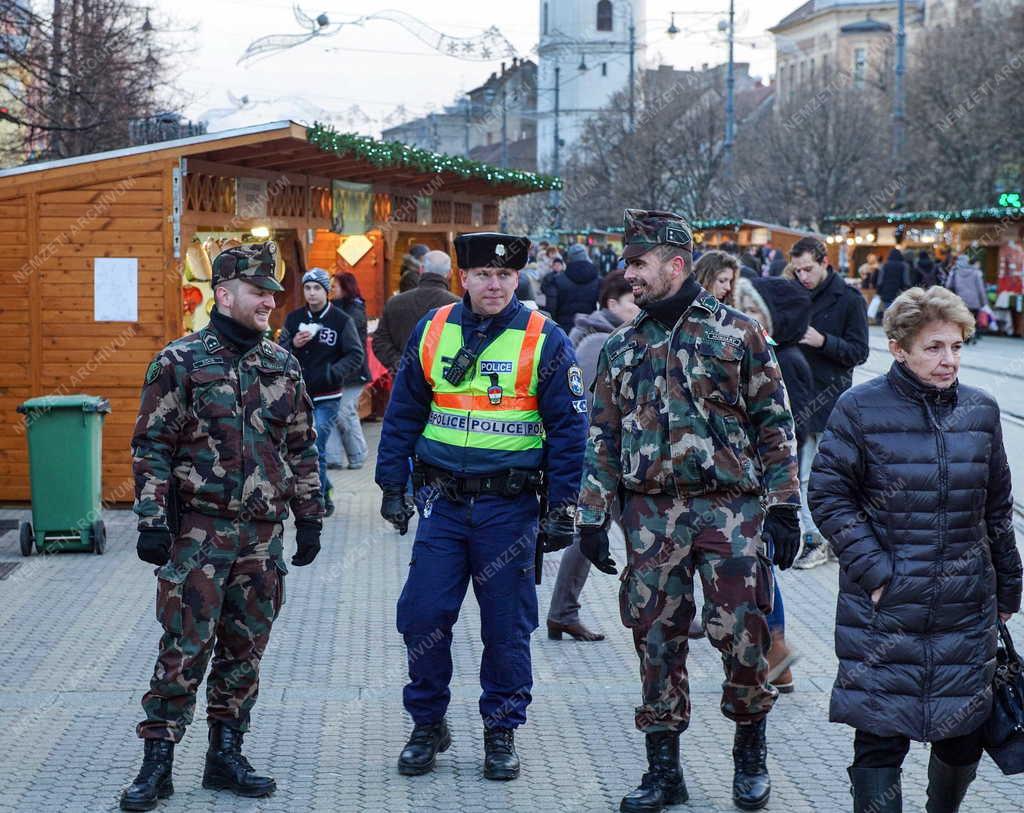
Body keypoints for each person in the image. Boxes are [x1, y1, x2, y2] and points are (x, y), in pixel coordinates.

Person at [577, 210, 801, 812]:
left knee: (741, 634)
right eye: (628, 263)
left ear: (675, 263)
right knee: (654, 636)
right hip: (649, 517)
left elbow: (776, 426)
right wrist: (593, 517)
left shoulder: (739, 333)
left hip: (732, 513)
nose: (629, 275)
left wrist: (785, 509)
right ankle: (663, 771)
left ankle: (749, 756)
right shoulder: (625, 345)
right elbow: (603, 435)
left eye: (638, 263)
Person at [375, 232, 588, 782]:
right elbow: (402, 414)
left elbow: (570, 430)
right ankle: (427, 724)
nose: (494, 285)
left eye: (505, 276)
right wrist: (391, 485)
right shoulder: (434, 329)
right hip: (441, 506)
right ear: (462, 278)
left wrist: (562, 507)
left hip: (509, 510)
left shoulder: (545, 337)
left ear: (516, 279)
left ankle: (501, 731)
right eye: (483, 275)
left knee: (506, 628)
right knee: (422, 616)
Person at [122, 242, 323, 811]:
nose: (268, 303)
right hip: (198, 535)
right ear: (224, 293)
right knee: (184, 648)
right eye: (259, 292)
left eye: (272, 294)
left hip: (262, 538)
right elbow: (151, 445)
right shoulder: (179, 362)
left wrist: (309, 517)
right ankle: (157, 763)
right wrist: (151, 519)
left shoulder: (281, 364)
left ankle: (225, 756)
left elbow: (303, 446)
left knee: (245, 649)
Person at [808, 286, 1021, 813]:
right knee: (880, 736)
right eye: (933, 347)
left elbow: (997, 509)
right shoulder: (858, 408)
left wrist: (1009, 587)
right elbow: (829, 495)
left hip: (965, 608)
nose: (948, 359)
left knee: (962, 735)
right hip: (885, 613)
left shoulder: (980, 410)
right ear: (899, 348)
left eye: (956, 346)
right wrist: (878, 573)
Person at [547, 270, 639, 643]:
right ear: (612, 304)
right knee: (634, 533)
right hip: (604, 456)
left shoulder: (608, 336)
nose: (639, 308)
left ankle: (563, 612)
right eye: (632, 302)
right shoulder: (600, 342)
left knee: (596, 532)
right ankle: (661, 609)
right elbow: (589, 406)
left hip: (609, 455)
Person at [784, 237, 869, 571]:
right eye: (798, 269)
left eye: (808, 268)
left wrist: (823, 342)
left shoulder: (849, 299)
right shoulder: (792, 292)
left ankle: (818, 540)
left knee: (815, 476)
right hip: (794, 396)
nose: (803, 275)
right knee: (801, 475)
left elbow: (858, 352)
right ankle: (821, 537)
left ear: (824, 262)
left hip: (829, 399)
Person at [746, 276, 814, 694]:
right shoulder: (777, 351)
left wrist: (784, 502)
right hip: (758, 480)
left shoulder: (777, 357)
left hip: (757, 483)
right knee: (760, 564)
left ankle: (773, 652)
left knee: (759, 564)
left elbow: (784, 425)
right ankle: (773, 653)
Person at [279, 268, 364, 517]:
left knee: (317, 445)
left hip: (328, 395)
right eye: (308, 288)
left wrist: (332, 373)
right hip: (299, 394)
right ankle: (324, 486)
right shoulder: (294, 319)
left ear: (326, 291)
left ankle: (320, 498)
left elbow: (355, 355)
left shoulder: (340, 320)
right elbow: (280, 351)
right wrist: (293, 345)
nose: (312, 293)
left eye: (317, 288)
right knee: (298, 447)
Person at [372, 249, 459, 374]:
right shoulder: (458, 307)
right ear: (450, 273)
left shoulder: (394, 303)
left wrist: (401, 365)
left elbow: (379, 341)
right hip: (443, 384)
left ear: (421, 270)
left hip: (403, 382)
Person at [326, 271, 370, 470]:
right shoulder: (332, 309)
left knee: (345, 412)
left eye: (334, 287)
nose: (330, 290)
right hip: (333, 372)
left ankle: (358, 454)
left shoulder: (355, 311)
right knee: (331, 412)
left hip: (353, 373)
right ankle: (333, 457)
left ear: (345, 288)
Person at [541, 243, 600, 332]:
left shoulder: (557, 280)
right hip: (589, 328)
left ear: (568, 259)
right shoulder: (597, 280)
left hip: (563, 330)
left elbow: (551, 308)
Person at [945, 254, 988, 341]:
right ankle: (971, 336)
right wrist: (984, 302)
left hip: (960, 301)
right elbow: (980, 288)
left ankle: (964, 337)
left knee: (961, 320)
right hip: (974, 302)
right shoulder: (975, 272)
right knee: (972, 320)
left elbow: (948, 285)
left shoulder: (955, 271)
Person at [874, 248, 911, 314]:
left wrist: (878, 291)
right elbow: (906, 281)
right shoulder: (904, 265)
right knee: (898, 313)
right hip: (899, 292)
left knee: (888, 312)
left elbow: (880, 280)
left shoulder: (884, 265)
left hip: (886, 292)